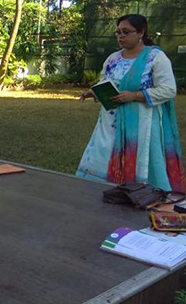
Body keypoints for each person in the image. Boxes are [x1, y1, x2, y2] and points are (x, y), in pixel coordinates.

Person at [77, 14, 185, 192]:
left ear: (141, 32)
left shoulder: (155, 57)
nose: (121, 36)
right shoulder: (113, 58)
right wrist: (93, 92)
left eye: (126, 32)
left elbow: (168, 90)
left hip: (142, 125)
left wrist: (134, 95)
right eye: (118, 32)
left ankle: (141, 195)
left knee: (140, 165)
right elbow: (106, 82)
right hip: (109, 123)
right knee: (101, 161)